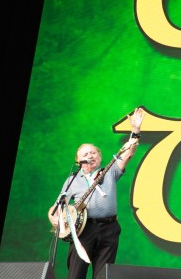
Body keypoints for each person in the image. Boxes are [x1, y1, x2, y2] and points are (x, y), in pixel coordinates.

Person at [48, 107, 144, 279]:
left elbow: (129, 153)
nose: (90, 156)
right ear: (78, 161)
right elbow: (56, 207)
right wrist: (54, 219)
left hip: (109, 228)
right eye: (85, 154)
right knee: (76, 274)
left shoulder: (110, 171)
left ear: (99, 157)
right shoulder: (72, 179)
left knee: (103, 275)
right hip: (83, 229)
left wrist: (135, 129)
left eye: (93, 153)